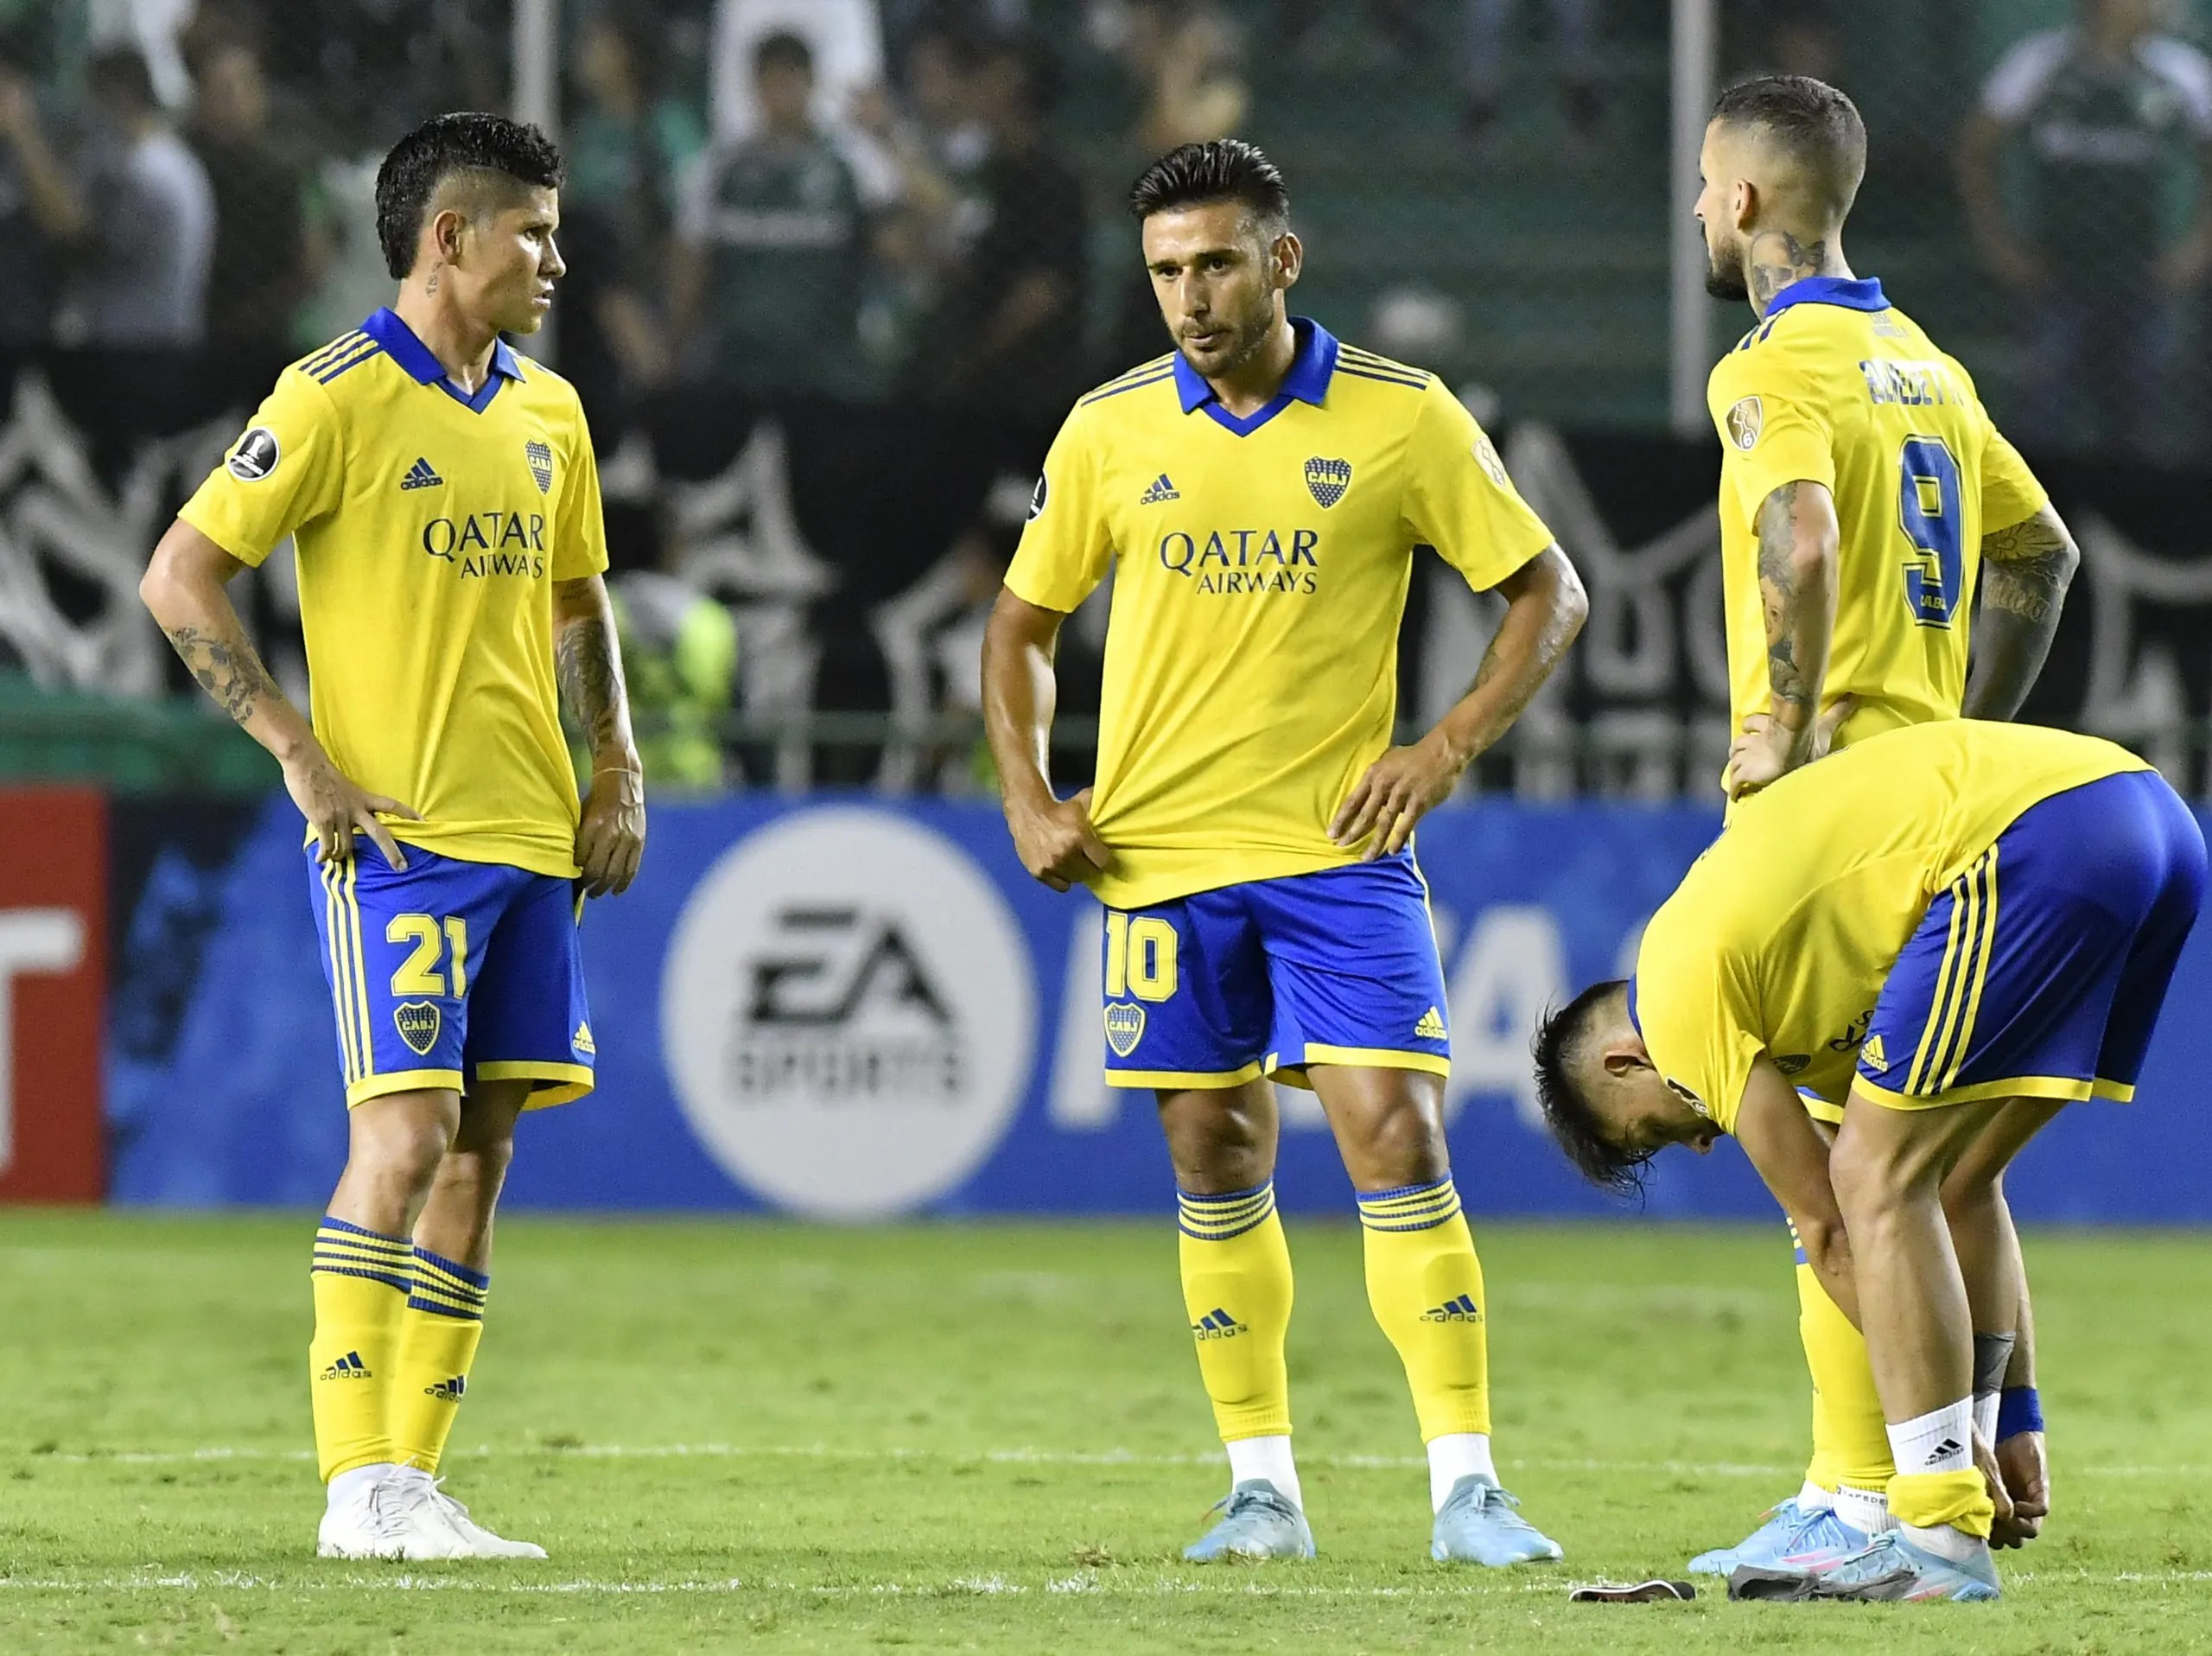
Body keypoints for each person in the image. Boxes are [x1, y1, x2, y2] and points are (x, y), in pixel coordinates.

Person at [981, 138, 1586, 1566]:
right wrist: (1028, 798)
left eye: (1215, 264)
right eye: (1166, 272)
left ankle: (1468, 1490)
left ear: (1282, 259)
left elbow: (1547, 592)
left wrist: (1444, 747)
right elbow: (1020, 628)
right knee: (1213, 1149)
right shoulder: (1109, 429)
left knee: (1397, 1132)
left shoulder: (1402, 415)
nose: (1190, 297)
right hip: (1158, 860)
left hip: (1338, 853)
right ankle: (1261, 1489)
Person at [137, 112, 645, 1562]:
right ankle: (355, 1483)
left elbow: (579, 600)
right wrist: (298, 753)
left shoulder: (550, 411)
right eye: (534, 233)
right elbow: (180, 577)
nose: (556, 260)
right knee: (406, 1136)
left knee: (480, 1154)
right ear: (449, 238)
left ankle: (411, 1487)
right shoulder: (332, 398)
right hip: (402, 842)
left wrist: (615, 765)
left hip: (534, 840)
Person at [1688, 73, 2084, 1576]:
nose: (1698, 210)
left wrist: (1778, 726)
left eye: (1702, 186)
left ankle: (1865, 1498)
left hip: (1833, 814)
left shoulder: (1771, 363)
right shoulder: (1926, 362)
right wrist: (1967, 733)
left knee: (1836, 1163)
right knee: (1914, 1161)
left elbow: (1801, 539)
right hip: (1944, 812)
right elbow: (2040, 557)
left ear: (1742, 199)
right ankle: (1907, 1464)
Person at [1530, 718, 2204, 1601]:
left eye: (1654, 1130)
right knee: (1947, 1175)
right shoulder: (1797, 991)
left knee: (1866, 1179)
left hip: (2042, 838)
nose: (1699, 1139)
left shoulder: (1675, 996)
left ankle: (1938, 1537)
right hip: (2153, 821)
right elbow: (1963, 1197)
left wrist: (1945, 1452)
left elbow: (1833, 1227)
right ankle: (1957, 1495)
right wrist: (2009, 1413)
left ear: (1626, 1061)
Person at [1958, 0, 2212, 459]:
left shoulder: (2179, 70)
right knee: (2043, 411)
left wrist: (2199, 244)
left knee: (2139, 419)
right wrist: (1998, 241)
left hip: (2143, 272)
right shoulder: (2038, 63)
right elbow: (1976, 150)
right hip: (2055, 270)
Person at [672, 30, 868, 398]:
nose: (782, 94)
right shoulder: (719, 168)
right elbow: (692, 261)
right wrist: (676, 347)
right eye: (772, 82)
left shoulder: (849, 165)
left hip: (827, 370)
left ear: (811, 84)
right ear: (756, 87)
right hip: (737, 367)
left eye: (791, 80)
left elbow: (895, 248)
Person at [906, 33, 1088, 426]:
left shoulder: (1053, 178)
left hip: (1032, 390)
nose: (976, 87)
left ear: (1014, 88)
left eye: (989, 76)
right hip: (980, 391)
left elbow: (1044, 290)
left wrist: (977, 352)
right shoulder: (994, 174)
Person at [188, 33, 315, 417]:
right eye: (221, 89)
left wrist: (253, 319)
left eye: (244, 87)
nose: (234, 101)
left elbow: (311, 264)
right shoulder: (186, 163)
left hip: (271, 341)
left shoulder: (288, 171)